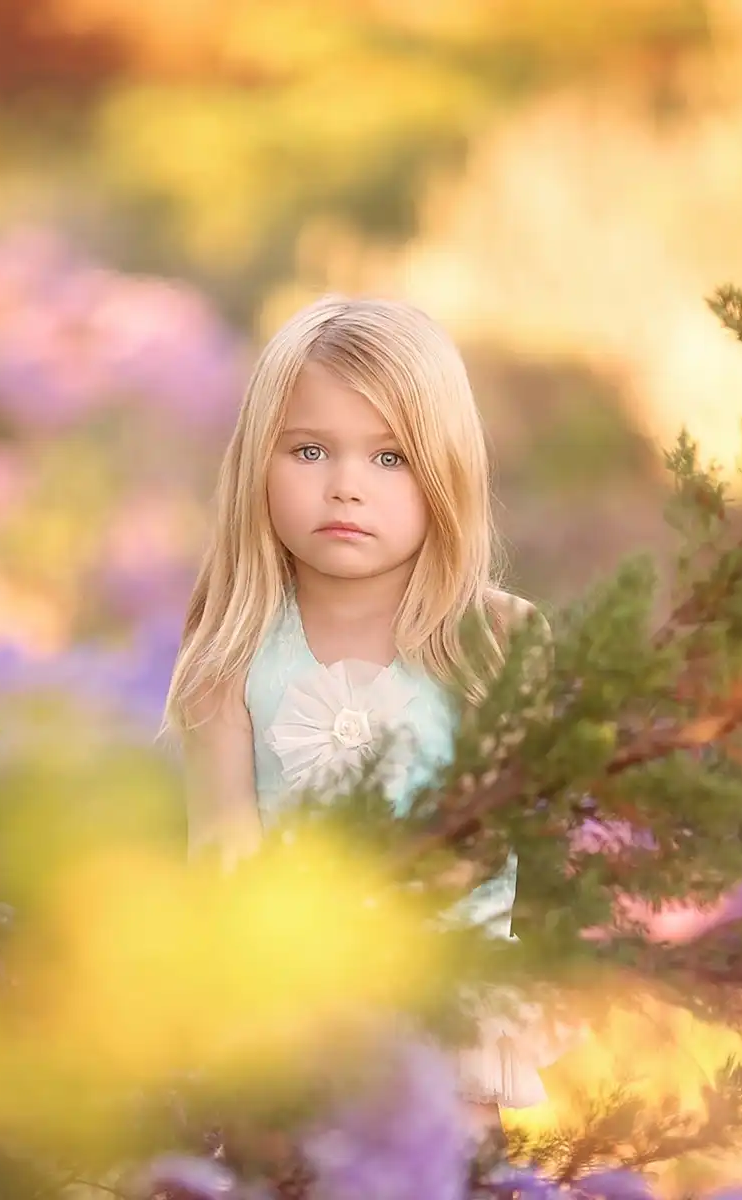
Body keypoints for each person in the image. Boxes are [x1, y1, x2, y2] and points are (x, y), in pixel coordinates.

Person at [160, 293, 556, 1127]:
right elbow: (223, 854)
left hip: (445, 1011)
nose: (345, 487)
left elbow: (492, 845)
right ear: (256, 464)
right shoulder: (230, 653)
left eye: (389, 459)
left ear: (445, 470)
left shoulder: (496, 640)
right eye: (309, 450)